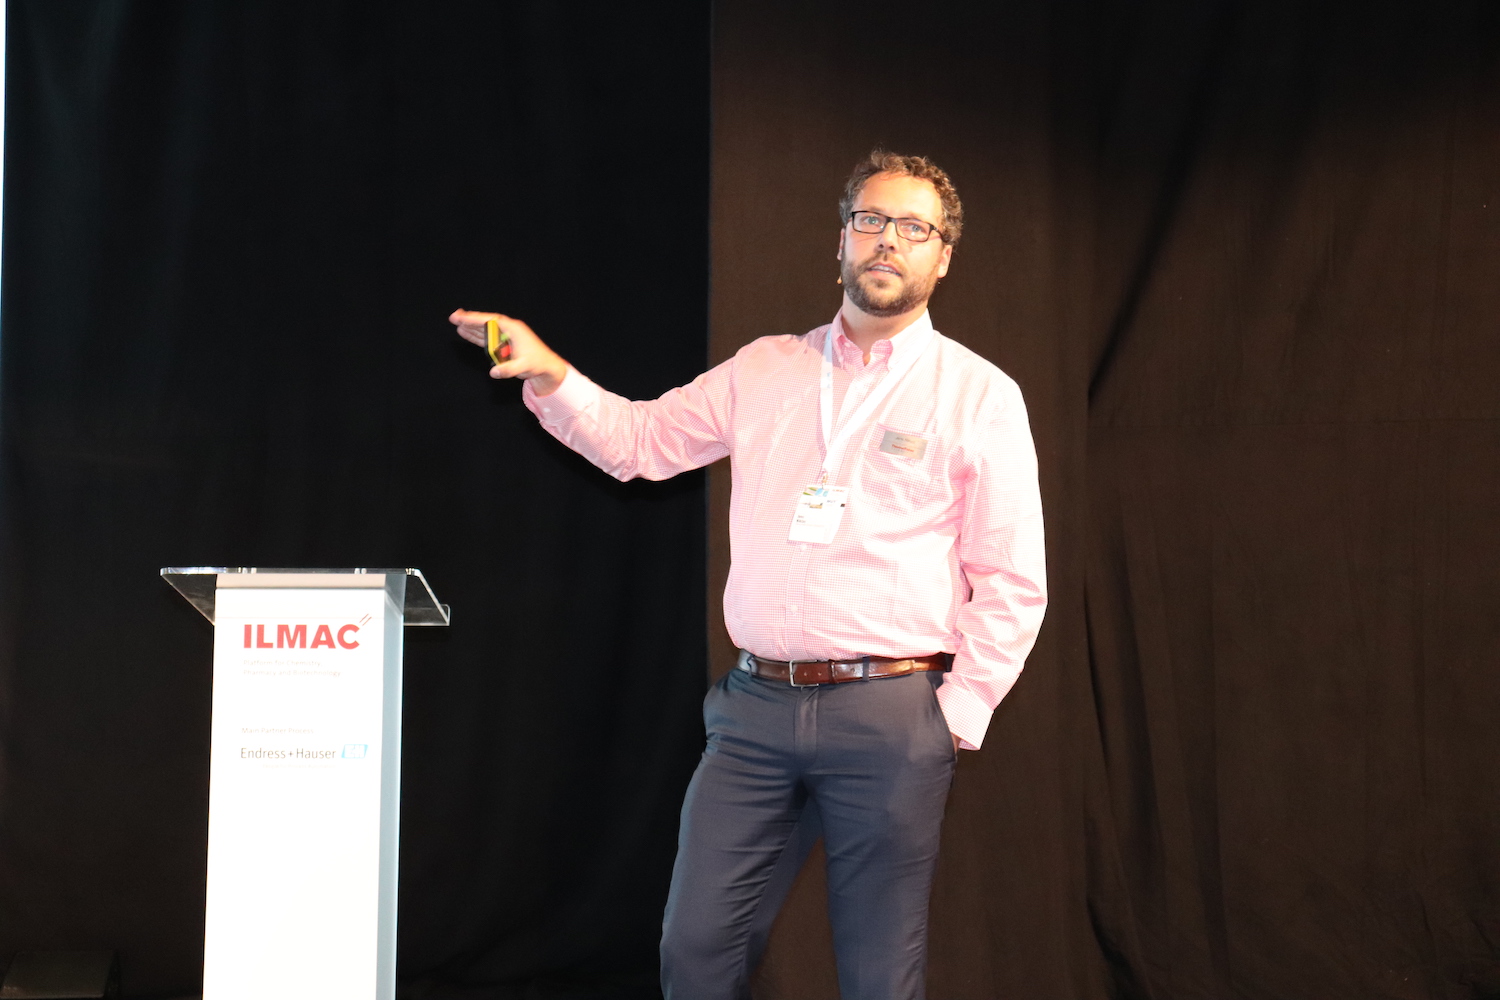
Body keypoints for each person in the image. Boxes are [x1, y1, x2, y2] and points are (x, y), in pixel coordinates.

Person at [450, 150, 1047, 1000]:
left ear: (943, 256)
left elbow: (1013, 575)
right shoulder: (764, 367)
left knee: (879, 974)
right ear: (841, 239)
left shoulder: (979, 394)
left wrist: (954, 714)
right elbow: (640, 444)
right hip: (755, 713)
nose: (889, 240)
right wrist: (552, 373)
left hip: (890, 714)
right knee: (695, 949)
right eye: (871, 220)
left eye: (915, 228)